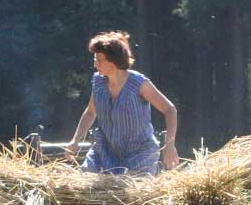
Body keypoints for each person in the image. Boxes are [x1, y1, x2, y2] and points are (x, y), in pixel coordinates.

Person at [65, 31, 180, 175]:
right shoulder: (98, 82)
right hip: (105, 151)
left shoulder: (139, 84)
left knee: (134, 190)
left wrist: (170, 145)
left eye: (99, 60)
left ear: (113, 62)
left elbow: (170, 110)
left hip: (140, 153)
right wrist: (75, 140)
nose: (95, 64)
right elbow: (90, 112)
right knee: (83, 184)